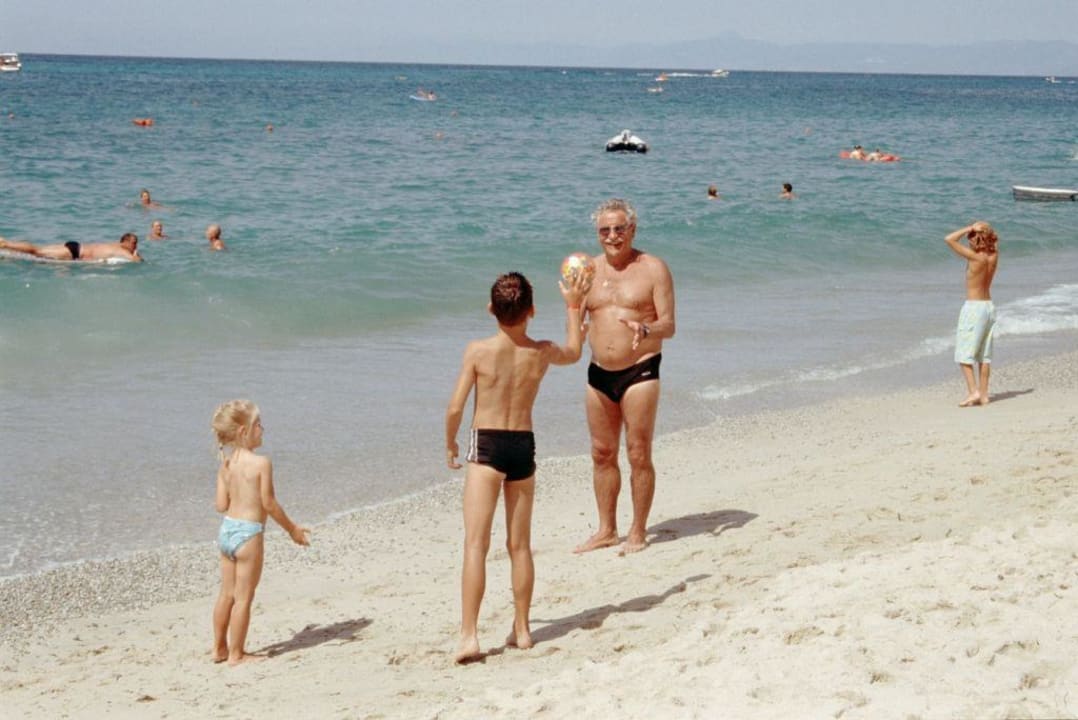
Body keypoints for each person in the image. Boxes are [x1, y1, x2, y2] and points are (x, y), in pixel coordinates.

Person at [445, 270, 588, 663]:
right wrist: (574, 306)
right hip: (522, 445)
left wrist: (450, 442)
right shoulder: (539, 351)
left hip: (487, 445)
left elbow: (457, 406)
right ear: (532, 311)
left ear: (491, 309)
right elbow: (575, 352)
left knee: (476, 544)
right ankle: (523, 629)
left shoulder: (477, 350)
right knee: (520, 545)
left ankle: (469, 636)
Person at [575, 198, 676, 555]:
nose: (613, 236)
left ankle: (637, 530)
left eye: (620, 228)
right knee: (602, 453)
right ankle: (606, 529)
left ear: (633, 229)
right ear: (597, 233)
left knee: (637, 452)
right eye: (605, 230)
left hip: (641, 369)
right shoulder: (587, 271)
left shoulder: (653, 268)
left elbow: (670, 326)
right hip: (598, 373)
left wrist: (646, 328)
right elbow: (575, 329)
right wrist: (572, 310)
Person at [210, 400, 310, 666]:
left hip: (227, 531)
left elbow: (220, 505)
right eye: (258, 425)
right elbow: (269, 504)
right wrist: (293, 530)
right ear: (243, 432)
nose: (262, 429)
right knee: (243, 598)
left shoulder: (226, 465)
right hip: (249, 535)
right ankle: (236, 654)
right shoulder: (261, 464)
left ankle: (219, 648)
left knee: (226, 594)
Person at [945, 221, 999, 407]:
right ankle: (984, 395)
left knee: (964, 353)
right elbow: (995, 240)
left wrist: (969, 228)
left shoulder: (974, 257)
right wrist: (985, 231)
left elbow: (949, 239)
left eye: (972, 237)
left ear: (976, 238)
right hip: (988, 307)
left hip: (974, 308)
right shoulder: (993, 256)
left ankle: (973, 391)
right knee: (984, 355)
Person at [0, 233, 143, 262]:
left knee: (38, 254)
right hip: (74, 253)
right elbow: (137, 261)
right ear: (125, 242)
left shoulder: (114, 245)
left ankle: (6, 253)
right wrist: (136, 254)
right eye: (134, 243)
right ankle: (5, 244)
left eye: (136, 243)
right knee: (37, 251)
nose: (135, 245)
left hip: (74, 247)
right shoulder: (119, 250)